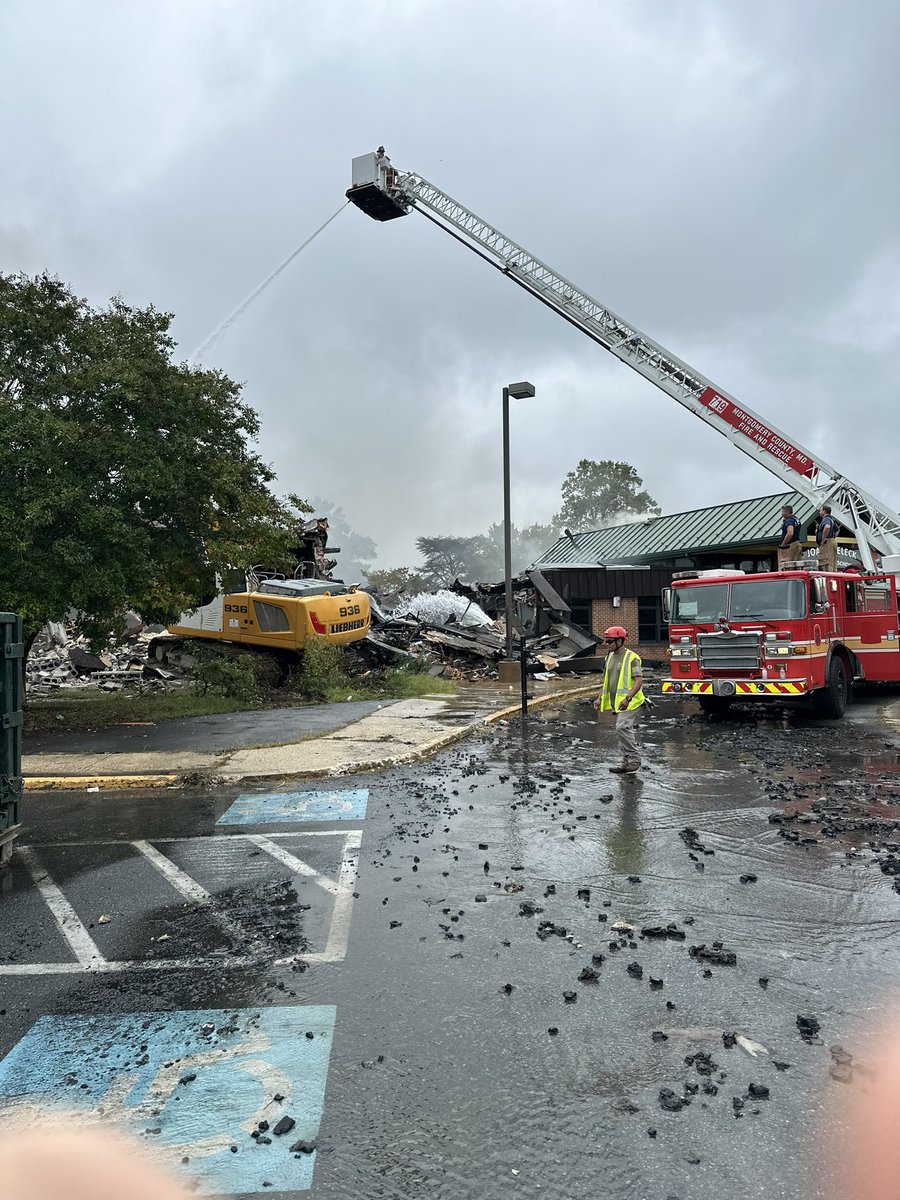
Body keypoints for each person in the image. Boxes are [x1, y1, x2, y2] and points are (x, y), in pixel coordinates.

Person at [594, 626, 645, 774]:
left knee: (622, 727)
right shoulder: (609, 657)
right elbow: (606, 681)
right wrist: (599, 698)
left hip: (631, 701)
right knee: (622, 730)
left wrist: (628, 698)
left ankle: (634, 760)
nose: (607, 645)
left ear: (620, 641)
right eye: (606, 641)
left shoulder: (632, 658)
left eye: (610, 641)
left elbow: (639, 682)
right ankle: (625, 762)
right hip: (617, 702)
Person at [777, 504, 802, 569]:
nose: (781, 514)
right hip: (797, 543)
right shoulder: (796, 519)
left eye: (782, 512)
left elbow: (790, 533)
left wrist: (783, 544)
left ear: (787, 512)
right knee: (797, 565)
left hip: (790, 546)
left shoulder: (789, 520)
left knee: (788, 565)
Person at [816, 503, 838, 571]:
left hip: (827, 543)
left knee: (826, 562)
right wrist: (833, 538)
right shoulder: (832, 519)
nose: (819, 512)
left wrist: (823, 540)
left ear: (824, 511)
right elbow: (837, 530)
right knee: (832, 562)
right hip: (831, 542)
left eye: (820, 510)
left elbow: (827, 527)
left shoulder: (826, 519)